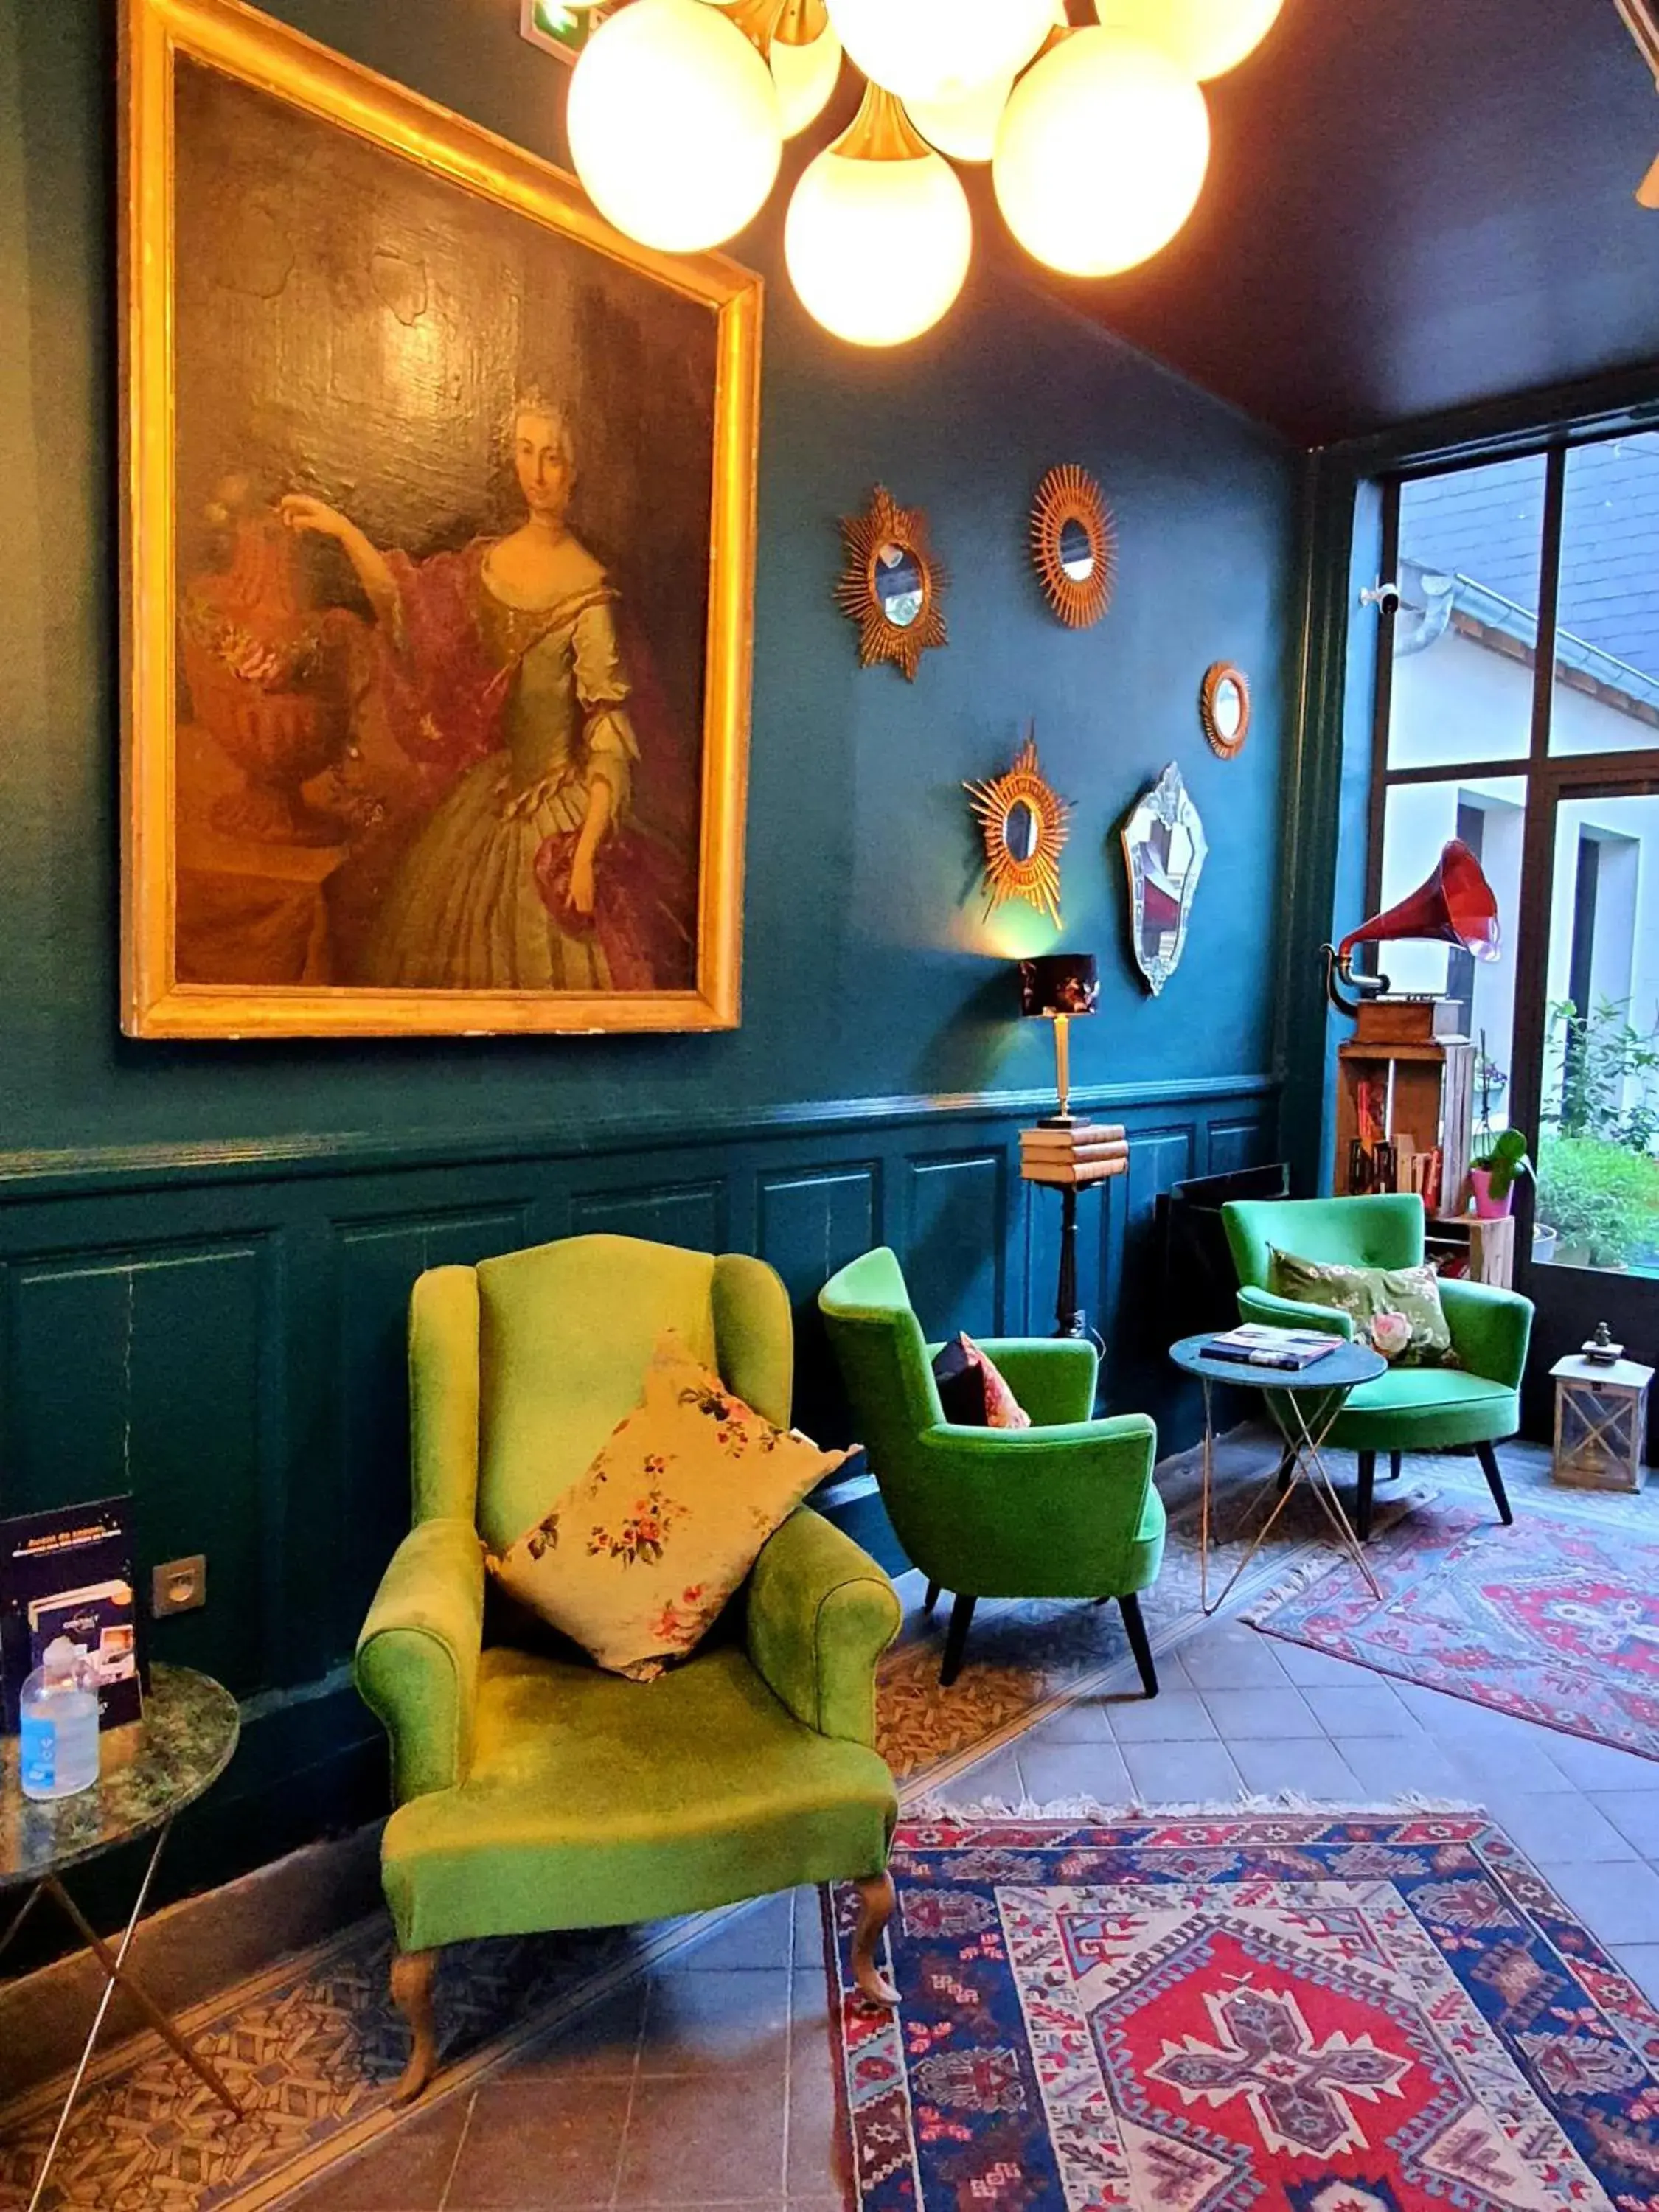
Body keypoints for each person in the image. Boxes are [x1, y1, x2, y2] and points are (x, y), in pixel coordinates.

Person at [279, 392, 682, 990]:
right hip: (488, 803)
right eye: (526, 452)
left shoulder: (590, 592)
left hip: (562, 814)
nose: (538, 473)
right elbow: (401, 600)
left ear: (574, 469)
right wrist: (343, 531)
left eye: (552, 457)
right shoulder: (488, 563)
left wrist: (584, 852)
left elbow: (607, 734)